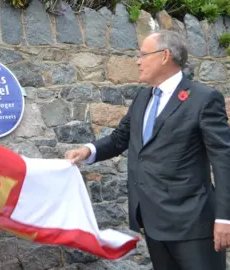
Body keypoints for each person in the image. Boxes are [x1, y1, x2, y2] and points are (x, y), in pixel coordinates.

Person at [65, 30, 230, 270]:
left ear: (165, 56)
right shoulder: (143, 97)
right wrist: (88, 151)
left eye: (143, 54)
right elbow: (120, 139)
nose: (137, 60)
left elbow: (224, 159)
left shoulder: (204, 99)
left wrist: (224, 217)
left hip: (193, 224)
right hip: (152, 221)